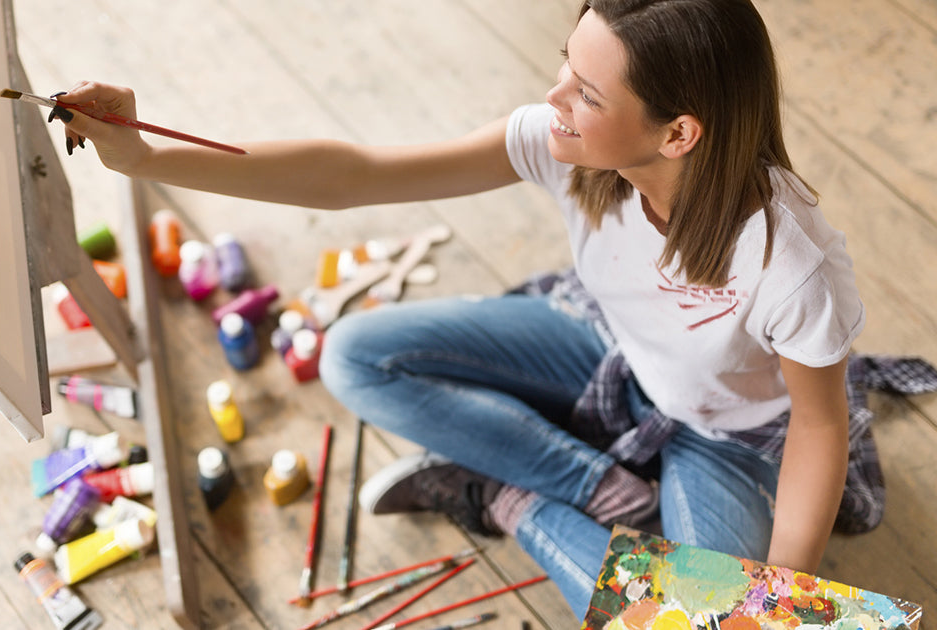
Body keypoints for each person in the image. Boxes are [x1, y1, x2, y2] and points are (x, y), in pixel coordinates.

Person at [54, 0, 865, 616]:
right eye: (564, 66)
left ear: (678, 133)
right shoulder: (567, 146)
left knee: (707, 624)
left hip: (729, 440)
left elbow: (820, 428)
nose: (554, 97)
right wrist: (147, 154)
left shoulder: (790, 265)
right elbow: (354, 176)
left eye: (585, 92)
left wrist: (781, 600)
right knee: (353, 355)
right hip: (610, 354)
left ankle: (506, 497)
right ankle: (594, 486)